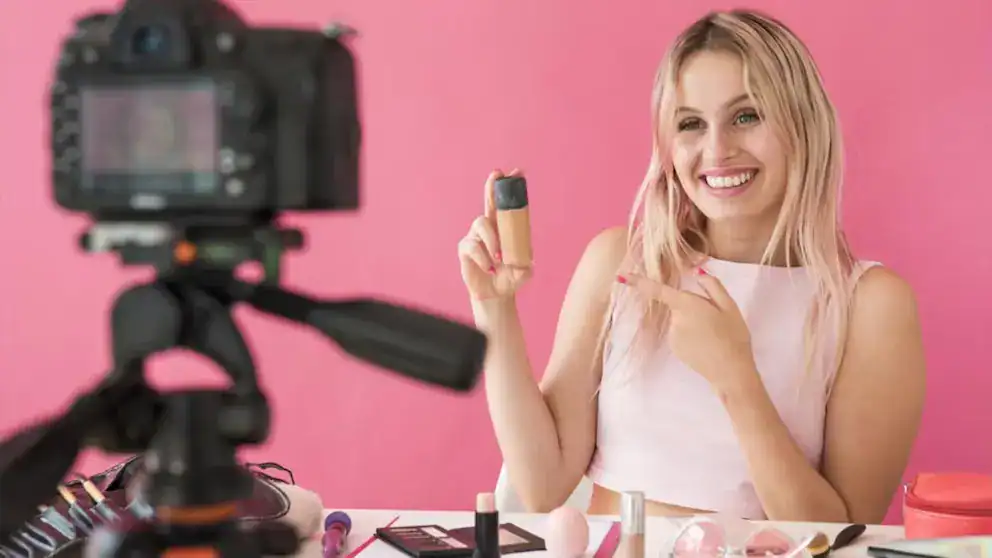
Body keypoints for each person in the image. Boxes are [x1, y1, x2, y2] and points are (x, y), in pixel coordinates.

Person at [456, 9, 926, 523]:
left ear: (803, 124)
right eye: (691, 124)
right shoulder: (619, 263)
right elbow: (543, 484)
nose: (717, 150)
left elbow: (837, 538)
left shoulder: (869, 305)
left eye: (747, 116)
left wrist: (735, 379)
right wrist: (494, 309)